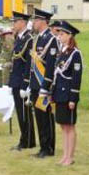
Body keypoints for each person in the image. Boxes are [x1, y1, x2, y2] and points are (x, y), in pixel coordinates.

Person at [52, 20, 83, 166]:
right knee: (63, 126)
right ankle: (65, 155)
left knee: (70, 126)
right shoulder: (62, 52)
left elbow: (76, 78)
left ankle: (70, 156)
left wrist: (73, 98)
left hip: (68, 95)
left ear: (70, 36)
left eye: (62, 34)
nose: (59, 36)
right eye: (59, 33)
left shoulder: (75, 54)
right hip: (59, 94)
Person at [30, 8, 58, 158]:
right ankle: (42, 146)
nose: (34, 23)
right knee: (39, 118)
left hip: (44, 85)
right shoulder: (38, 38)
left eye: (36, 20)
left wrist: (45, 86)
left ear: (43, 21)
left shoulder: (51, 39)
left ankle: (49, 148)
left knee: (46, 117)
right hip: (36, 84)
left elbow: (52, 65)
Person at [9, 11, 36, 152]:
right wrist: (11, 82)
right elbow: (16, 61)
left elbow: (29, 64)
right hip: (16, 80)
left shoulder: (29, 39)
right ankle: (24, 139)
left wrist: (25, 84)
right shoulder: (19, 38)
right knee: (20, 113)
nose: (13, 24)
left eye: (15, 21)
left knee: (25, 113)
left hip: (22, 82)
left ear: (23, 23)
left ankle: (28, 140)